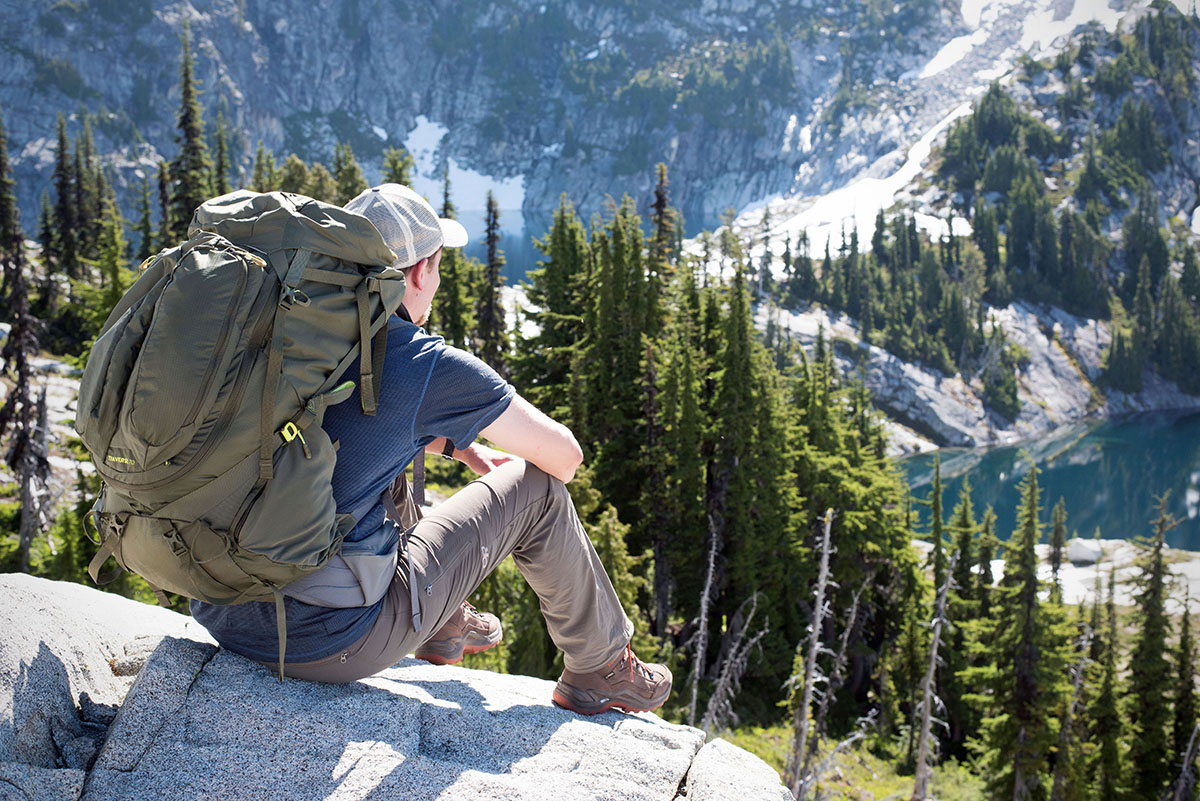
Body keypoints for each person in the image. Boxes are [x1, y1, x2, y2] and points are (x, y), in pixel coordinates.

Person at [190, 183, 671, 715]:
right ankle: (603, 668)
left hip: (221, 607)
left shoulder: (295, 332)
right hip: (325, 641)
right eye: (439, 267)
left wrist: (460, 447)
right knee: (537, 490)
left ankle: (445, 623)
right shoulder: (420, 362)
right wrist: (470, 421)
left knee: (379, 469)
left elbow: (335, 434)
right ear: (421, 272)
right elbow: (565, 457)